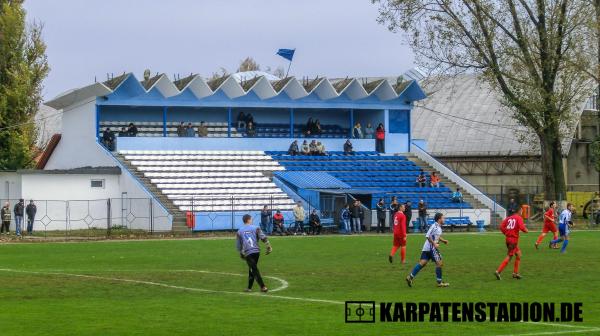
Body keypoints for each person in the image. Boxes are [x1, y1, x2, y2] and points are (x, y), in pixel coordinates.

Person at [406, 212, 450, 288]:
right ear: (439, 219)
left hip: (426, 248)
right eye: (443, 218)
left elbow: (436, 236)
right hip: (431, 248)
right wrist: (434, 244)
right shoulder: (435, 226)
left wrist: (443, 241)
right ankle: (439, 283)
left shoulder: (437, 227)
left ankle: (410, 277)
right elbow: (427, 236)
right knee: (439, 263)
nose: (444, 219)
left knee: (422, 263)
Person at [236, 214, 272, 293]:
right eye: (251, 219)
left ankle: (263, 287)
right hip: (256, 252)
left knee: (254, 269)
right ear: (248, 220)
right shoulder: (256, 228)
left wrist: (241, 254)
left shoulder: (239, 231)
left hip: (248, 253)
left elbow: (239, 246)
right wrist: (268, 246)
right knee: (252, 269)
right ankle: (249, 288)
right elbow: (263, 237)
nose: (252, 220)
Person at [495, 207, 528, 280]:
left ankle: (515, 273)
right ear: (519, 211)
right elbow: (522, 227)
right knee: (509, 256)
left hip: (508, 239)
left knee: (519, 254)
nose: (522, 213)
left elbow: (501, 227)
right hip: (513, 240)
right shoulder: (519, 218)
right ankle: (498, 271)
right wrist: (526, 230)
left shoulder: (508, 218)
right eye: (522, 211)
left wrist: (506, 233)